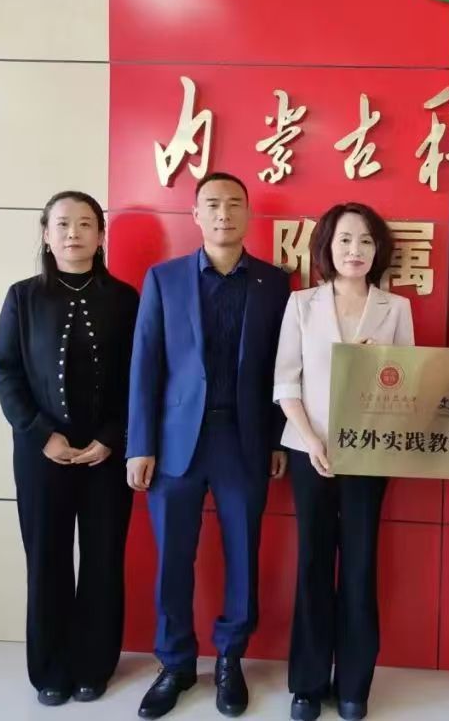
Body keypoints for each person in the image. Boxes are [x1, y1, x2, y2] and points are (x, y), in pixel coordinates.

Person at [126, 171, 290, 719]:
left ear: (248, 214)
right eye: (213, 204)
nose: (224, 213)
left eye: (234, 204)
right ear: (195, 215)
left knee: (243, 552)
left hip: (243, 439)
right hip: (176, 443)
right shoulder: (164, 278)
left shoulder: (274, 283)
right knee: (173, 557)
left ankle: (229, 659)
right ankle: (174, 663)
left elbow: (281, 368)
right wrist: (140, 444)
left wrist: (276, 439)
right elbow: (145, 364)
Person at [0, 190, 138, 707]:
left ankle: (94, 665)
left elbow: (138, 377)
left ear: (101, 235)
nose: (73, 233)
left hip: (106, 455)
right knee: (47, 559)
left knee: (103, 559)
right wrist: (40, 434)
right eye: (62, 224)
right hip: (41, 454)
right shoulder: (22, 297)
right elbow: (6, 371)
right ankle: (50, 668)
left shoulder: (125, 299)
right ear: (46, 234)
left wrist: (112, 438)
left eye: (85, 223)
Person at [274, 203, 415, 721]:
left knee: (359, 564)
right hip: (309, 448)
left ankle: (354, 683)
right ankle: (307, 685)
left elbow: (410, 382)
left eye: (366, 241)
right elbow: (286, 380)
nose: (355, 250)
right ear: (326, 248)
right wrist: (310, 440)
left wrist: (383, 363)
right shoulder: (302, 304)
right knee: (313, 563)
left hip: (369, 452)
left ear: (379, 250)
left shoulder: (395, 308)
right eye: (345, 240)